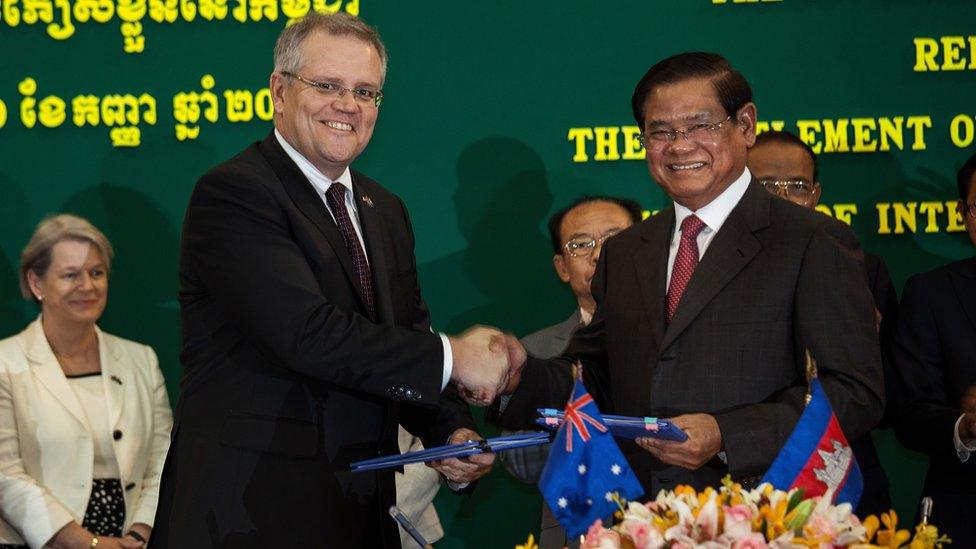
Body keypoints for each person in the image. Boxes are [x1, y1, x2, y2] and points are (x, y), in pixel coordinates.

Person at [150, 13, 509, 548]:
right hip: (250, 517)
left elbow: (405, 335)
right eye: (327, 86)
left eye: (366, 92)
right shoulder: (235, 193)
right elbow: (308, 335)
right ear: (278, 90)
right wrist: (456, 358)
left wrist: (448, 433)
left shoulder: (383, 208)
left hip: (361, 515)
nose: (349, 105)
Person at [495, 52, 883, 498]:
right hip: (639, 516)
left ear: (746, 125)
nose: (680, 145)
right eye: (660, 131)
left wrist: (725, 434)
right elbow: (596, 378)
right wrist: (519, 377)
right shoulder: (625, 252)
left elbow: (853, 392)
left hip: (761, 518)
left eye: (702, 125)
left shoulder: (812, 240)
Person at [0, 214, 172, 549]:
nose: (88, 286)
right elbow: (5, 472)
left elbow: (164, 459)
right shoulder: (5, 363)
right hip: (39, 540)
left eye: (97, 273)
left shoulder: (142, 360)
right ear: (37, 284)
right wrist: (84, 542)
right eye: (70, 275)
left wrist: (139, 534)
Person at [748, 130, 895, 517]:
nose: (782, 196)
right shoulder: (710, 269)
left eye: (796, 185)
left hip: (842, 478)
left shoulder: (861, 266)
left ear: (814, 195)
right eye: (766, 185)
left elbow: (887, 397)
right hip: (749, 476)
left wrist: (862, 347)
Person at [495, 196, 641, 549]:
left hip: (675, 525)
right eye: (581, 244)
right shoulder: (535, 353)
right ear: (562, 267)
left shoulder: (681, 337)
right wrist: (580, 422)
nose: (598, 255)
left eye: (614, 239)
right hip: (573, 537)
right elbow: (521, 462)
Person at [890, 151, 976, 546]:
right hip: (965, 513)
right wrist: (965, 427)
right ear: (964, 214)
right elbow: (909, 414)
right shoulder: (931, 293)